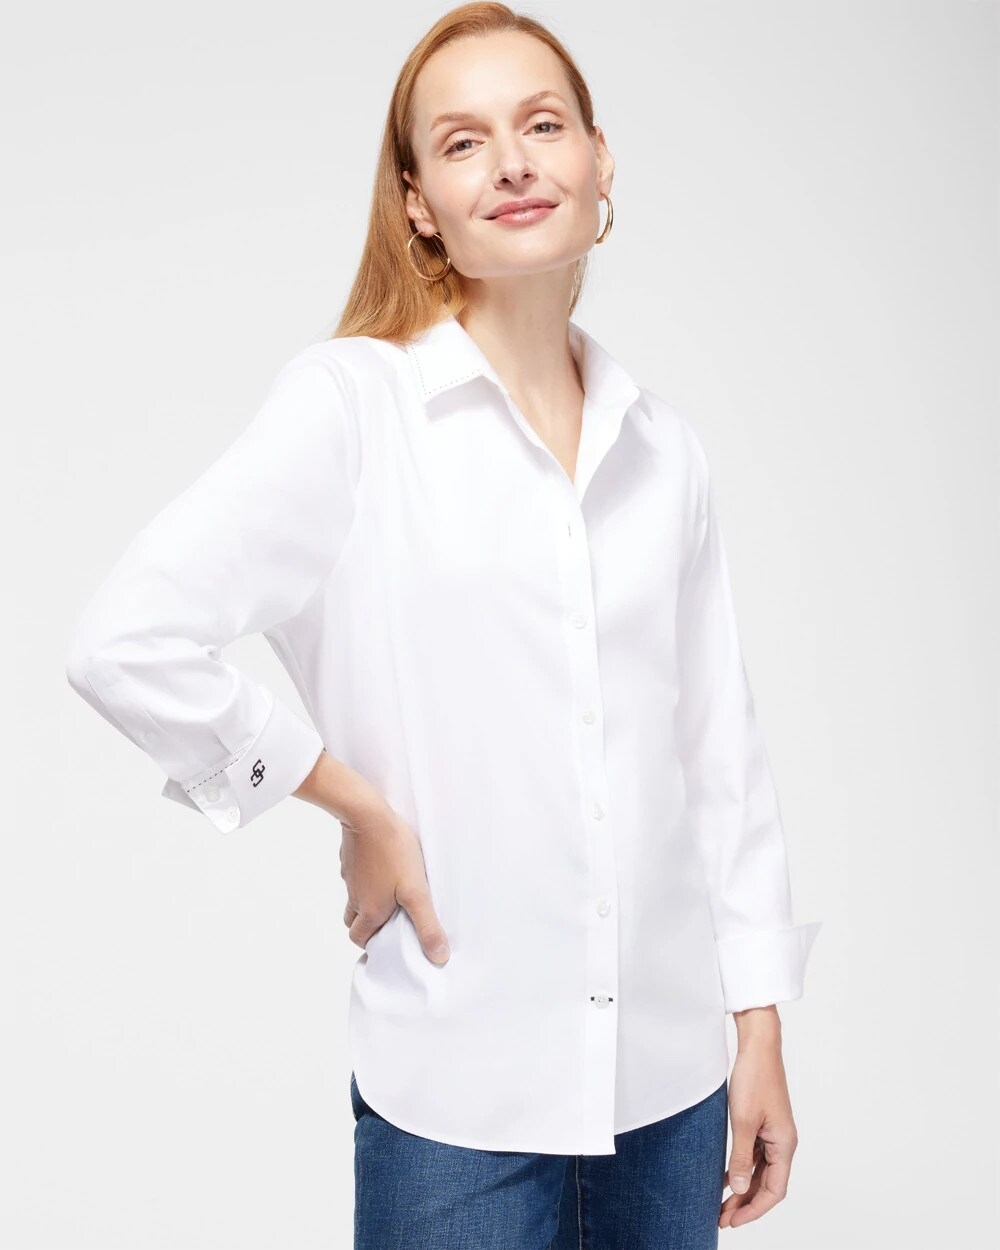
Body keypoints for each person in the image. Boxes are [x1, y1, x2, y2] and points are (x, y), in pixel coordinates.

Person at [65, 3, 822, 1246]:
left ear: (600, 159)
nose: (513, 162)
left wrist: (759, 1024)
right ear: (417, 201)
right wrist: (351, 801)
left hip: (670, 1085)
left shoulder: (663, 448)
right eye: (464, 143)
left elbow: (718, 758)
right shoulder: (353, 408)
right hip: (455, 1093)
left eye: (542, 125)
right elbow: (124, 638)